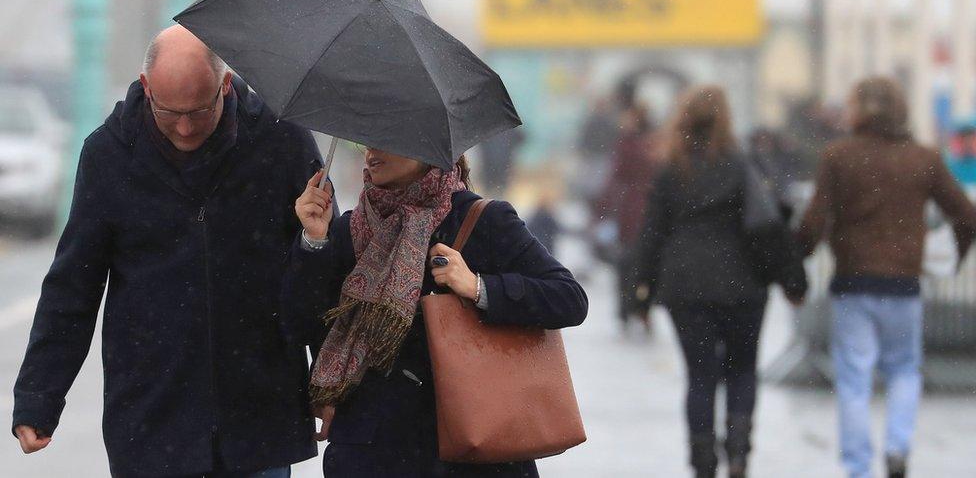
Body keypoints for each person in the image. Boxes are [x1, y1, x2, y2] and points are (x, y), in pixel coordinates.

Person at [12, 25, 330, 477]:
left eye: (199, 111)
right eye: (168, 112)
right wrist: (39, 397)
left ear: (224, 86)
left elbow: (323, 273)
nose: (184, 127)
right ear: (146, 88)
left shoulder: (282, 143)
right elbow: (73, 286)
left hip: (259, 411)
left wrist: (333, 379)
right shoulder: (109, 155)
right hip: (152, 414)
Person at [280, 147, 588, 477]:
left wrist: (478, 287)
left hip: (471, 449)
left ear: (429, 147)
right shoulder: (348, 230)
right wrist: (313, 241)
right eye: (368, 140)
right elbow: (299, 325)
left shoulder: (482, 219)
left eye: (388, 139)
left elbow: (569, 299)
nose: (372, 152)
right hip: (371, 450)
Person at [797, 77, 976, 478]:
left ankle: (858, 467)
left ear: (858, 109)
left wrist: (796, 264)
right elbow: (966, 214)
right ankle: (897, 448)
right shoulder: (923, 158)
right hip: (904, 285)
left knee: (854, 379)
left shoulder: (838, 156)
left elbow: (814, 220)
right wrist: (956, 256)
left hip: (853, 284)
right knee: (903, 370)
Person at [636, 86, 806, 478]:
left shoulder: (670, 171)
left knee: (700, 375)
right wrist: (791, 279)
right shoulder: (743, 163)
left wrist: (639, 294)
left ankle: (703, 462)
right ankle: (740, 455)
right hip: (742, 283)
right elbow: (769, 227)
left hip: (685, 284)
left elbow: (651, 234)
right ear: (725, 118)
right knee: (742, 369)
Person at [598, 103, 659, 334]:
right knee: (645, 262)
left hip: (631, 209)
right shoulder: (655, 144)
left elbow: (616, 175)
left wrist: (603, 206)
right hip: (647, 210)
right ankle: (641, 308)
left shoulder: (627, 144)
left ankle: (627, 308)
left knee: (626, 263)